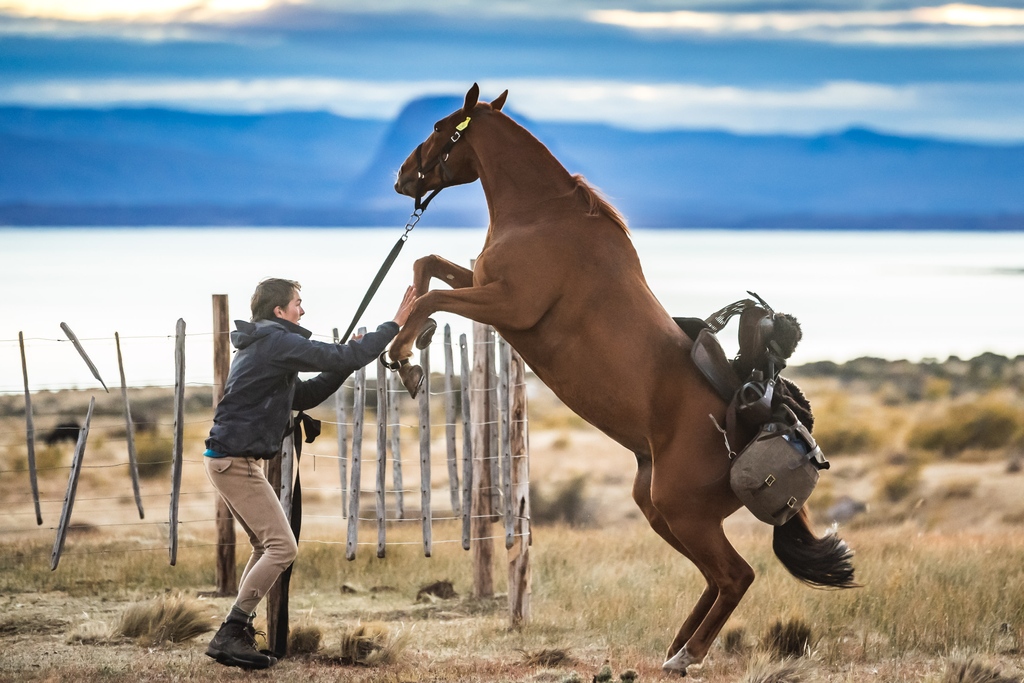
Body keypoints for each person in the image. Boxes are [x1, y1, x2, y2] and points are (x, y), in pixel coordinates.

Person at [204, 277, 417, 670]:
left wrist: (348, 359)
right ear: (279, 310)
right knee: (283, 548)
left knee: (265, 547)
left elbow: (304, 395)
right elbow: (342, 356)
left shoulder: (266, 344)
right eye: (297, 303)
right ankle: (231, 631)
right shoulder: (275, 342)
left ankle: (237, 630)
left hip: (230, 459)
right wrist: (394, 325)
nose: (302, 310)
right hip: (235, 462)